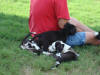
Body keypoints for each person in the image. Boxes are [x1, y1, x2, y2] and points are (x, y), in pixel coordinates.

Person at [29, 0, 100, 46]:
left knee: (72, 20)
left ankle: (95, 33)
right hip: (50, 39)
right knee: (95, 39)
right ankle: (94, 35)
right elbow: (62, 25)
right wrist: (80, 32)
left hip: (36, 35)